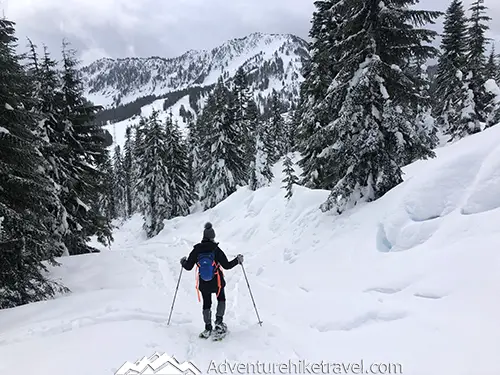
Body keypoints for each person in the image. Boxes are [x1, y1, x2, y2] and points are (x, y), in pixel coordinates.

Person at [180, 222, 243, 338]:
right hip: (217, 281)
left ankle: (207, 327)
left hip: (204, 283)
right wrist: (237, 260)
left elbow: (188, 267)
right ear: (212, 237)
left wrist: (183, 261)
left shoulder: (197, 250)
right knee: (221, 299)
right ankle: (219, 323)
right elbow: (227, 265)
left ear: (204, 237)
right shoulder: (216, 249)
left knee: (207, 303)